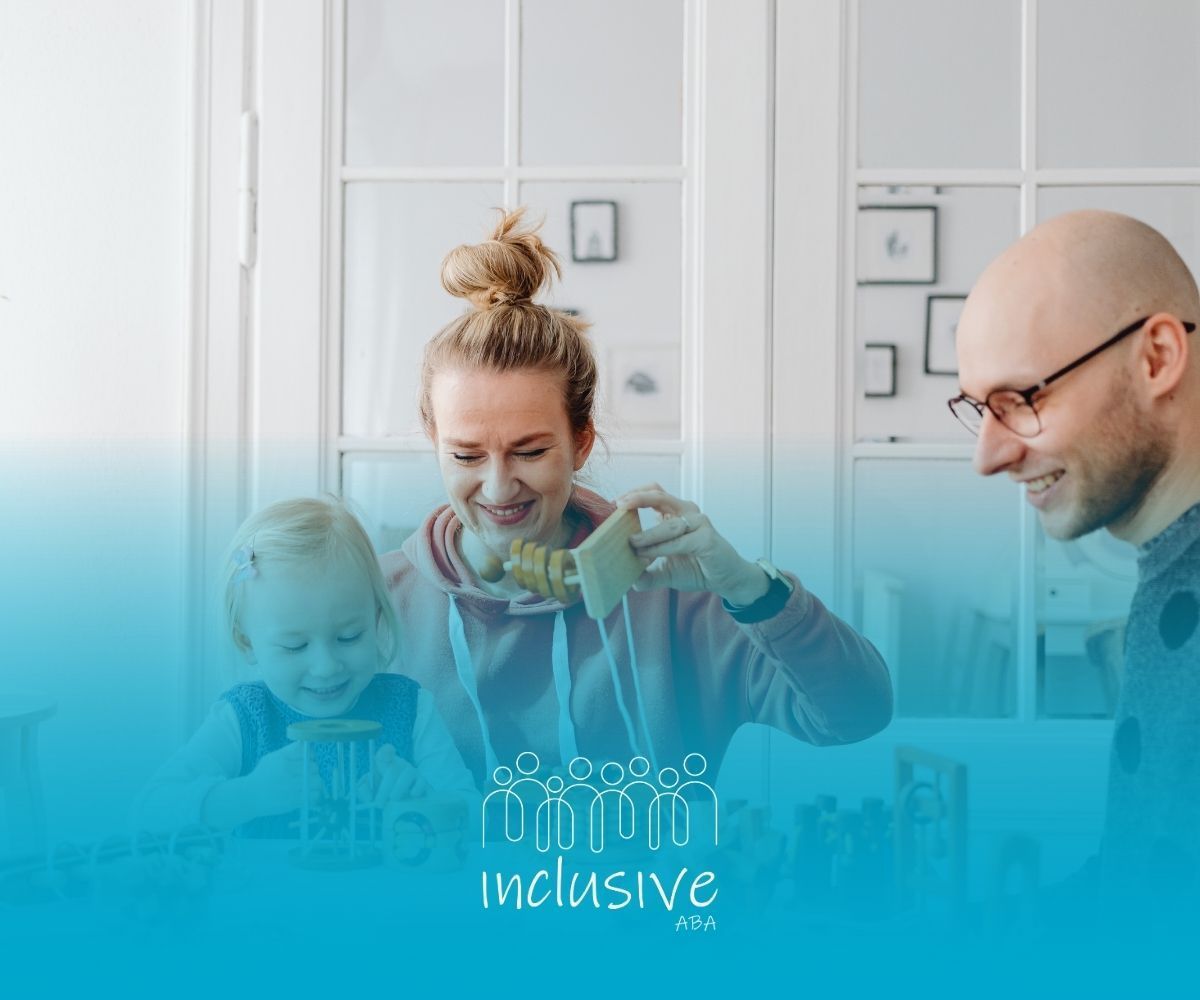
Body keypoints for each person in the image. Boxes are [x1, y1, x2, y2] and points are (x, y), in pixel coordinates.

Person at [382, 209, 892, 788]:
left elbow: (856, 716)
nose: (499, 487)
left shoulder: (674, 596)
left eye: (529, 452)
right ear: (434, 442)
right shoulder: (372, 603)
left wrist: (747, 587)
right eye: (467, 456)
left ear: (581, 441)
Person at [950, 209, 1200, 919]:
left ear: (1156, 357)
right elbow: (1154, 876)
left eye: (1022, 399)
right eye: (979, 410)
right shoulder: (1168, 571)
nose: (988, 456)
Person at [138, 498, 476, 836]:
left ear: (375, 620)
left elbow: (475, 818)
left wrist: (424, 802)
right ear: (247, 643)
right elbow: (149, 811)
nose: (326, 667)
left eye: (349, 637)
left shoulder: (410, 708)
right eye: (295, 646)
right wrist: (248, 796)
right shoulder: (244, 718)